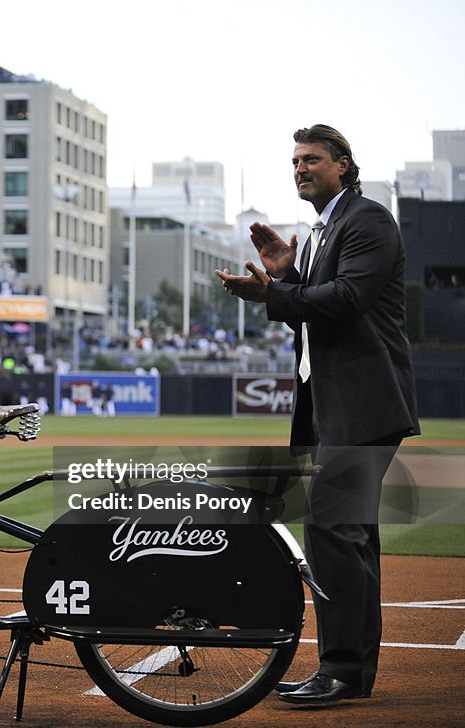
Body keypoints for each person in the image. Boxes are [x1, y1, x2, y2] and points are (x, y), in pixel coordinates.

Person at [215, 124, 419, 706]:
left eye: (312, 159)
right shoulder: (320, 231)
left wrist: (273, 293)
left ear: (344, 166)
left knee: (331, 529)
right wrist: (289, 275)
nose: (301, 167)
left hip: (364, 404)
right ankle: (349, 670)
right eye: (296, 160)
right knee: (348, 535)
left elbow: (348, 303)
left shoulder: (368, 220)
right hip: (337, 406)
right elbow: (316, 311)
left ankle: (342, 670)